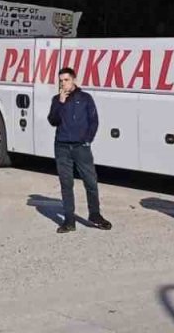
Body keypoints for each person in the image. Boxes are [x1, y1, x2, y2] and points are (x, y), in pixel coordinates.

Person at [47, 66, 111, 233]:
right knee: (66, 184)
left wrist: (87, 140)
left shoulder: (85, 98)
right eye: (61, 81)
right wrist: (60, 103)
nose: (63, 84)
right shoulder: (56, 100)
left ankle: (95, 215)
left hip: (80, 147)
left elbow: (94, 121)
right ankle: (69, 220)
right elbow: (52, 120)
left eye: (66, 80)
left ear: (74, 80)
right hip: (62, 147)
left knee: (90, 181)